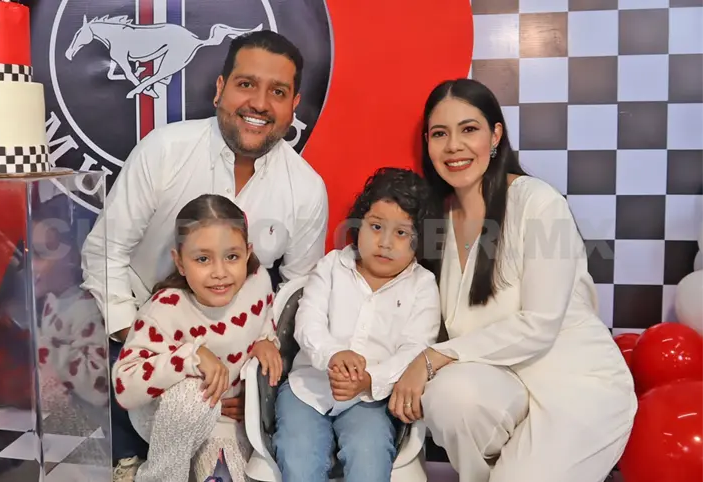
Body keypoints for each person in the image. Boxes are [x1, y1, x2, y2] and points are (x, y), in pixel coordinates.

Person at [80, 30, 328, 480]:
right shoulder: (165, 150)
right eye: (246, 84)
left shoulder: (306, 189)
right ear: (220, 89)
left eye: (278, 92)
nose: (259, 103)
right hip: (141, 340)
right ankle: (134, 460)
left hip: (233, 362)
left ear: (294, 105)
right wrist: (139, 338)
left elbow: (296, 294)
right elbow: (105, 252)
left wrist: (253, 381)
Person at [390, 79, 637, 482]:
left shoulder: (537, 202)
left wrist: (431, 358)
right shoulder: (437, 221)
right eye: (440, 134)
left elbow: (540, 324)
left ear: (495, 136)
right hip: (502, 388)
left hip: (574, 388)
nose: (453, 146)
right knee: (450, 395)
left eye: (469, 129)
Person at [273, 167, 442, 482]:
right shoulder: (331, 266)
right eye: (376, 227)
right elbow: (308, 322)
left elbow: (415, 349)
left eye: (401, 233)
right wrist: (333, 355)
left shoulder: (422, 286)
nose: (385, 242)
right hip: (308, 389)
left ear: (420, 240)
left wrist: (369, 380)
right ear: (357, 224)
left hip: (372, 400)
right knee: (298, 452)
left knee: (370, 453)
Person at [112, 194, 283, 482]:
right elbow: (124, 386)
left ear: (248, 253)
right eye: (203, 259)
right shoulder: (164, 309)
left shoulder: (258, 283)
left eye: (232, 257)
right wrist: (190, 357)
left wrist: (266, 339)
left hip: (223, 421)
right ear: (180, 263)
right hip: (163, 416)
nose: (220, 273)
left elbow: (263, 317)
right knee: (192, 396)